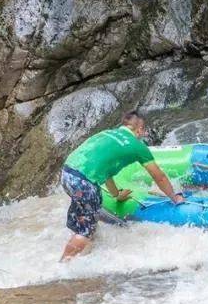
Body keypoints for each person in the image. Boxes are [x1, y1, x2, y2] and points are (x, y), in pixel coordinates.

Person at [60, 111, 185, 260]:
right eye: (143, 131)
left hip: (67, 174)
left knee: (86, 224)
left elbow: (106, 173)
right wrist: (174, 197)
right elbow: (159, 177)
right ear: (139, 130)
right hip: (84, 183)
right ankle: (63, 267)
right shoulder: (137, 146)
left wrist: (116, 195)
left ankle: (83, 259)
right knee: (85, 232)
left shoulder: (106, 134)